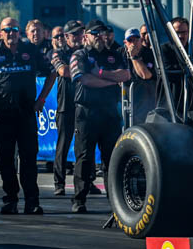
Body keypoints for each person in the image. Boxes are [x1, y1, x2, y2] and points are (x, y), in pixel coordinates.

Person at [0, 17, 56, 213]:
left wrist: (41, 99)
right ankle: (11, 200)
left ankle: (32, 201)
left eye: (15, 29)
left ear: (20, 32)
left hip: (26, 114)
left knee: (29, 159)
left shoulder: (30, 50)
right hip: (2, 115)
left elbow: (52, 73)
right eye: (7, 30)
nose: (12, 33)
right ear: (0, 33)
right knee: (6, 160)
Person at [69, 19, 131, 213]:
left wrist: (101, 72)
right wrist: (110, 81)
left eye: (102, 33)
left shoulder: (115, 54)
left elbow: (125, 75)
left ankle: (115, 201)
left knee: (112, 157)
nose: (99, 37)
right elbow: (86, 79)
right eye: (95, 33)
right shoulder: (80, 55)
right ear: (86, 36)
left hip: (110, 111)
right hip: (86, 112)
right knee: (84, 157)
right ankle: (79, 199)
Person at [49, 20, 81, 195]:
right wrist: (85, 70)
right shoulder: (58, 53)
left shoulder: (86, 51)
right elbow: (63, 71)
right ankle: (59, 183)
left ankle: (86, 181)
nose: (78, 37)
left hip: (84, 104)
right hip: (65, 105)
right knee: (63, 145)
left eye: (80, 33)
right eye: (74, 34)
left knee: (84, 147)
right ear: (66, 36)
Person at [122, 27, 157, 125]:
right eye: (130, 40)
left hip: (146, 101)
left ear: (141, 40)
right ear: (125, 42)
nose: (133, 43)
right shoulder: (120, 53)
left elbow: (145, 75)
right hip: (126, 99)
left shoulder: (149, 54)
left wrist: (134, 57)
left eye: (136, 40)